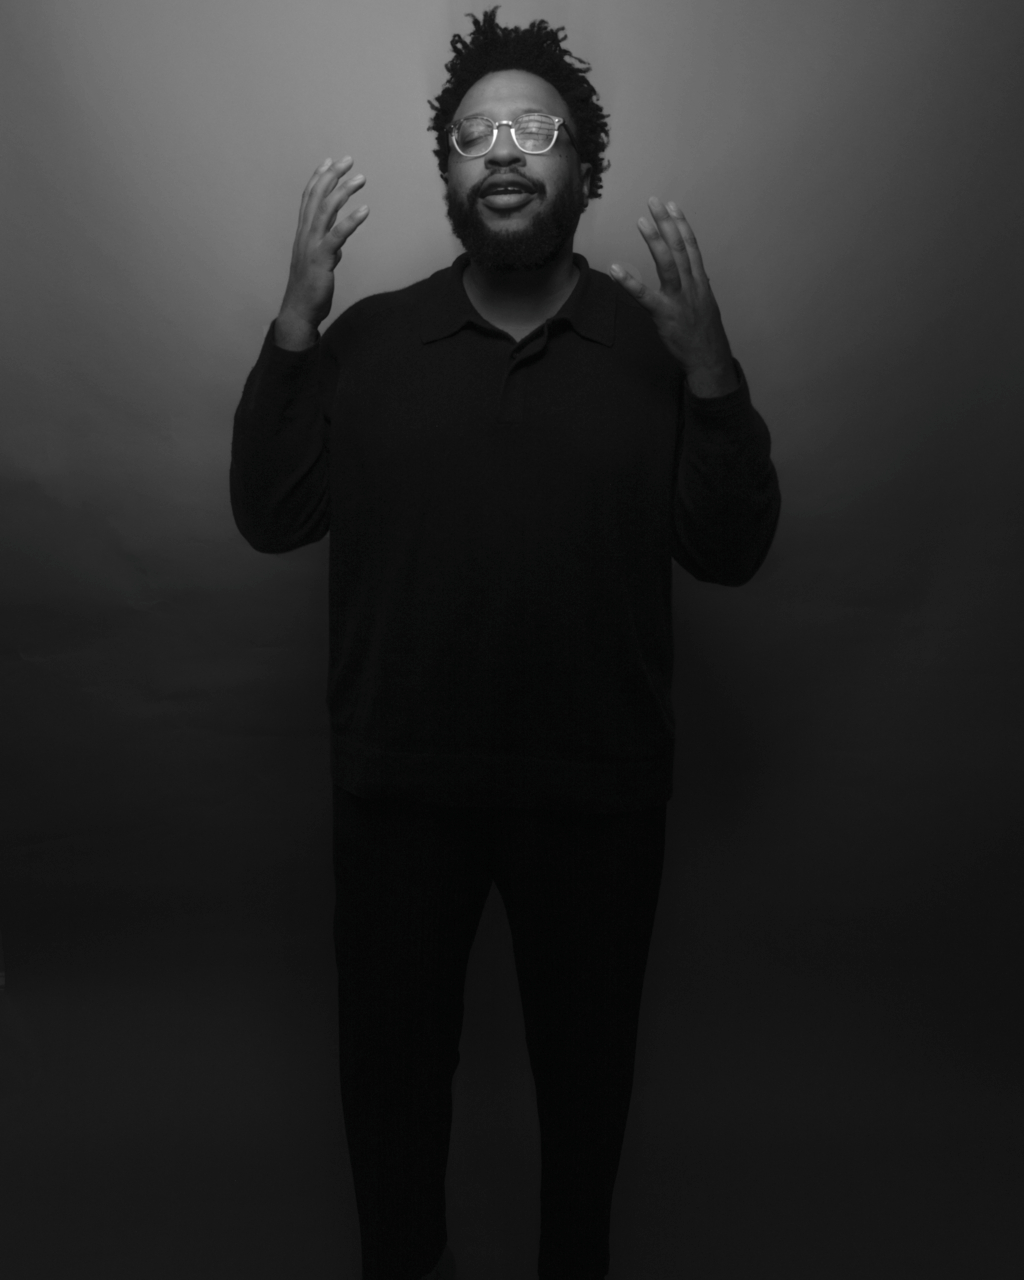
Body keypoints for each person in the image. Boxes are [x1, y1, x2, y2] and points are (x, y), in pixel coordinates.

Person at [230, 9, 781, 1279]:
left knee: (587, 1100)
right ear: (447, 172)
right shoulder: (369, 342)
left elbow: (731, 548)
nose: (505, 153)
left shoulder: (653, 349)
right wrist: (297, 321)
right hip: (399, 792)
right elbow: (268, 513)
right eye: (476, 136)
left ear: (584, 164)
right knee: (391, 1101)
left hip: (595, 794)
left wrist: (711, 374)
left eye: (536, 130)